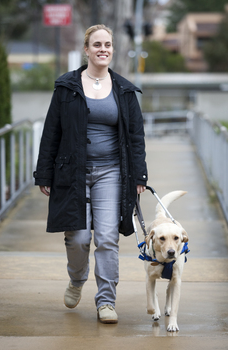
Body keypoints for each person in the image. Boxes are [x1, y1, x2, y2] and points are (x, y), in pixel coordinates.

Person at [33, 24, 147, 324]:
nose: (103, 49)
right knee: (79, 237)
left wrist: (139, 177)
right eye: (97, 45)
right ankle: (77, 278)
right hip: (73, 172)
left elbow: (136, 137)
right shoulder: (67, 87)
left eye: (108, 44)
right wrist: (43, 173)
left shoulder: (124, 90)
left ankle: (106, 301)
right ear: (86, 50)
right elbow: (51, 132)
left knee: (107, 237)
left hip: (112, 172)